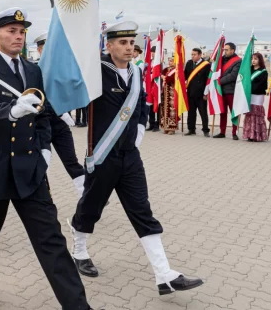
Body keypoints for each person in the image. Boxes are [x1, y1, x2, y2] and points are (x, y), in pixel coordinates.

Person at [0, 8, 100, 310]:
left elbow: (44, 115)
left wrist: (45, 148)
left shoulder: (33, 70)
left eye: (21, 31)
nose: (18, 36)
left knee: (51, 240)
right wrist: (11, 110)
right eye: (11, 31)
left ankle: (77, 305)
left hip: (29, 170)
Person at [69, 21, 204, 298]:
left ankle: (164, 275)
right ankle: (79, 250)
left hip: (130, 157)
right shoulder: (95, 72)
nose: (129, 48)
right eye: (123, 43)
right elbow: (72, 93)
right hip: (103, 156)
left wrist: (141, 126)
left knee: (142, 211)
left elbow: (141, 103)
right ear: (109, 46)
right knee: (91, 208)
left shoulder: (136, 71)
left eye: (131, 43)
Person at [34, 31, 87, 198]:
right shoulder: (33, 71)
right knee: (42, 162)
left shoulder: (61, 70)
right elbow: (37, 98)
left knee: (70, 159)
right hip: (40, 125)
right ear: (40, 50)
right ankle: (43, 195)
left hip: (59, 124)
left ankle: (85, 192)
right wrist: (60, 110)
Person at [213, 43, 241, 140]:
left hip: (231, 90)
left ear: (232, 50)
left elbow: (233, 76)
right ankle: (222, 132)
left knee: (234, 112)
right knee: (222, 112)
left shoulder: (238, 61)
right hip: (221, 91)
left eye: (227, 49)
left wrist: (219, 82)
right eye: (224, 49)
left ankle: (234, 132)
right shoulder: (220, 60)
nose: (225, 51)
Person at [184, 47, 210, 136]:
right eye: (192, 54)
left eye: (194, 55)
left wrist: (206, 93)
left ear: (200, 55)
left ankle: (205, 130)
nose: (192, 56)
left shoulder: (206, 65)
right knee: (191, 112)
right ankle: (191, 129)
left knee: (203, 112)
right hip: (190, 92)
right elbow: (185, 76)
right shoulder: (189, 63)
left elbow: (208, 80)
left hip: (201, 93)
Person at [243, 53, 268, 142]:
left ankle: (257, 135)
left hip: (257, 95)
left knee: (256, 114)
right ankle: (250, 134)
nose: (253, 61)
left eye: (256, 59)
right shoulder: (249, 70)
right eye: (252, 59)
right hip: (249, 95)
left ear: (260, 60)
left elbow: (262, 85)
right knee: (249, 115)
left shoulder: (263, 72)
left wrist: (251, 87)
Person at [160, 64, 178, 134]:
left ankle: (172, 128)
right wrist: (162, 76)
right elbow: (161, 74)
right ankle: (165, 127)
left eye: (172, 60)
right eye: (169, 60)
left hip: (172, 92)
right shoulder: (165, 69)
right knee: (164, 109)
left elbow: (169, 78)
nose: (170, 62)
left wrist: (164, 77)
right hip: (165, 92)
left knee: (172, 110)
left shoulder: (176, 70)